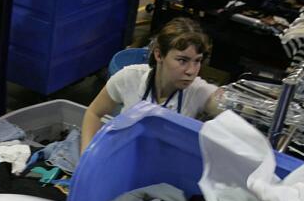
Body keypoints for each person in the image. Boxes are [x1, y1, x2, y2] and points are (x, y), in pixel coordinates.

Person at [81, 18, 223, 152]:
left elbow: (222, 103)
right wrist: (87, 157)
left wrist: (236, 104)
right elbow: (93, 113)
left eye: (197, 61)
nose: (192, 71)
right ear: (159, 55)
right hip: (126, 158)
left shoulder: (198, 91)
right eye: (182, 60)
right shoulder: (129, 77)